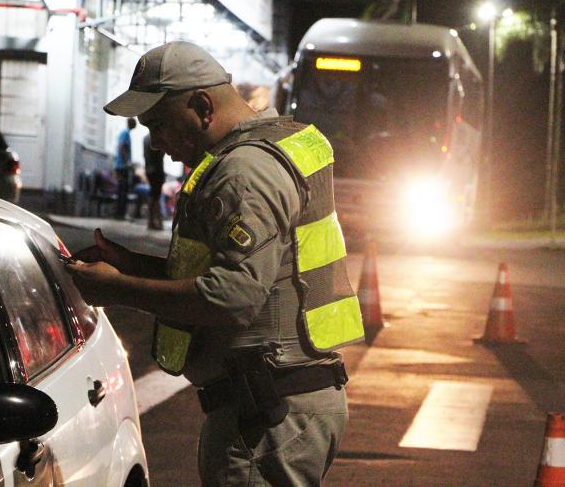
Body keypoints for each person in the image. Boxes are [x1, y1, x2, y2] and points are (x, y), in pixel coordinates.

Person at [65, 41, 364, 486]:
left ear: (203, 106)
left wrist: (113, 289)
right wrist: (129, 265)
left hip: (266, 415)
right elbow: (236, 272)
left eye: (159, 124)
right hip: (283, 401)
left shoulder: (243, 172)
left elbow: (231, 298)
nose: (157, 143)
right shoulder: (273, 145)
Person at [113, 117, 136, 220]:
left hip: (120, 166)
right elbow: (122, 147)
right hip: (122, 167)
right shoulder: (126, 133)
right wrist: (127, 162)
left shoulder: (125, 133)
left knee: (121, 190)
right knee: (123, 191)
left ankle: (119, 214)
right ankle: (120, 214)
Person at [143, 131, 165, 230]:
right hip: (157, 169)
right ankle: (154, 221)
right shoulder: (156, 137)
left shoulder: (145, 138)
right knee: (156, 196)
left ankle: (151, 220)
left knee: (153, 196)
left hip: (148, 169)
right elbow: (160, 155)